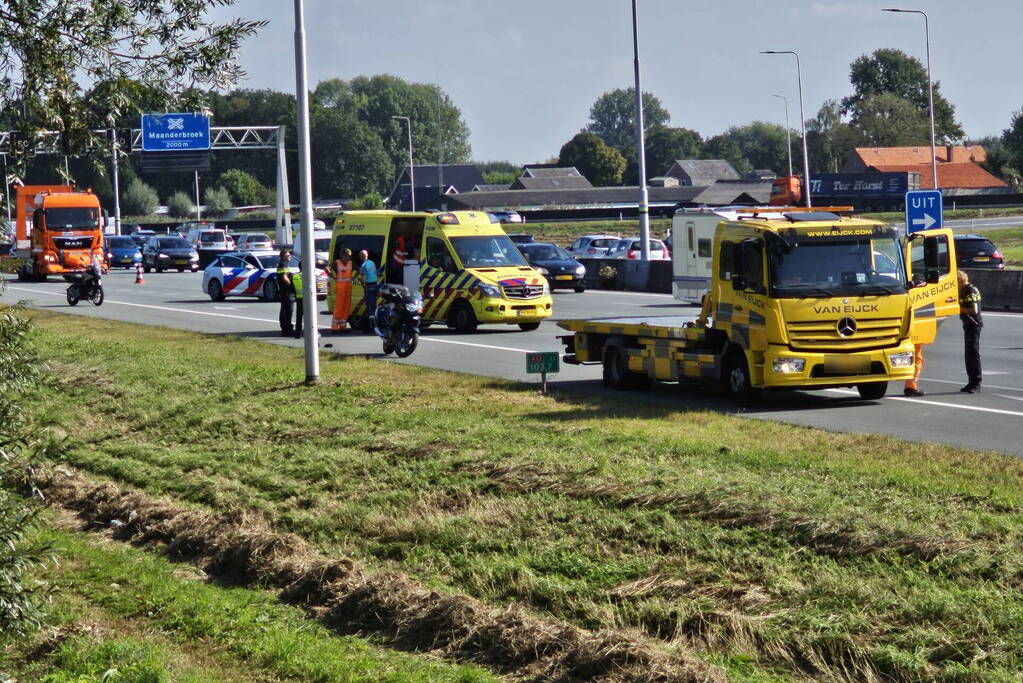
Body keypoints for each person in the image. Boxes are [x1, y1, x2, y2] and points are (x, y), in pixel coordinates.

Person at [958, 270, 983, 393]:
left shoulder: (970, 290)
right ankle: (971, 382)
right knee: (969, 354)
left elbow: (974, 310)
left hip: (973, 325)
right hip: (968, 324)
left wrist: (959, 308)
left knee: (973, 353)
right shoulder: (965, 290)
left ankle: (976, 383)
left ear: (960, 280)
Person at [331, 248, 353, 332]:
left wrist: (354, 277)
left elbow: (358, 269)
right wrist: (333, 277)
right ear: (343, 255)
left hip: (348, 288)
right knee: (339, 307)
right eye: (348, 256)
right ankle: (334, 327)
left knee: (346, 306)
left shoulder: (350, 263)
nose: (350, 257)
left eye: (350, 256)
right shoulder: (337, 263)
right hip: (340, 288)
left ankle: (343, 325)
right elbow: (327, 268)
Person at [276, 249, 294, 336]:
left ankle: (287, 327)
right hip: (285, 291)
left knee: (287, 309)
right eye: (287, 255)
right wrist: (291, 285)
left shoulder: (286, 265)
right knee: (287, 310)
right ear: (283, 257)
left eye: (289, 255)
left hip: (286, 291)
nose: (289, 256)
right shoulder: (282, 265)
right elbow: (284, 278)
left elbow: (287, 275)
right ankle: (286, 329)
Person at [358, 249, 378, 322]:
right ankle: (375, 322)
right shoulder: (372, 262)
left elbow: (360, 278)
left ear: (361, 256)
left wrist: (363, 285)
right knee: (374, 305)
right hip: (375, 285)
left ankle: (372, 325)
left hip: (368, 286)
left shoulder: (363, 265)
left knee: (369, 306)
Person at [293, 264, 306, 339]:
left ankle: (298, 333)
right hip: (308, 298)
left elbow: (292, 287)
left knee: (299, 317)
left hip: (299, 298)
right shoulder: (309, 275)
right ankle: (310, 332)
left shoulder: (295, 276)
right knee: (310, 317)